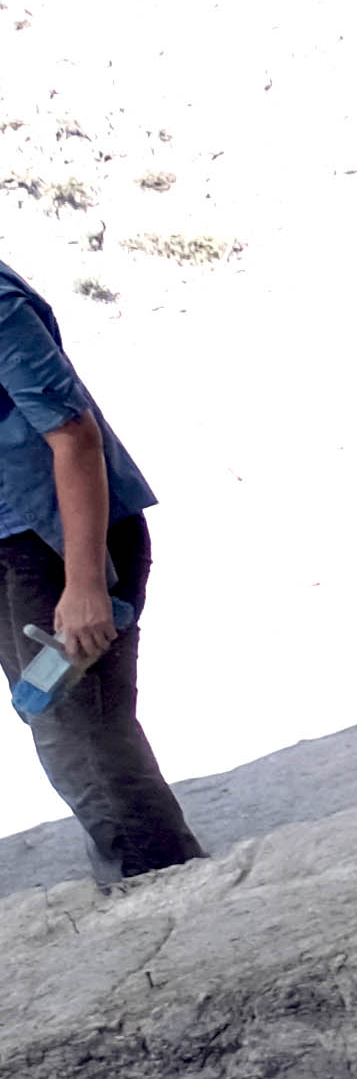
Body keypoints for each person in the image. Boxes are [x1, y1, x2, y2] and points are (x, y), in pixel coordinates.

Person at [0, 250, 200, 885]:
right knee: (52, 717)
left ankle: (161, 887)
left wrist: (84, 582)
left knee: (81, 731)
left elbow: (73, 435)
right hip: (11, 542)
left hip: (59, 541)